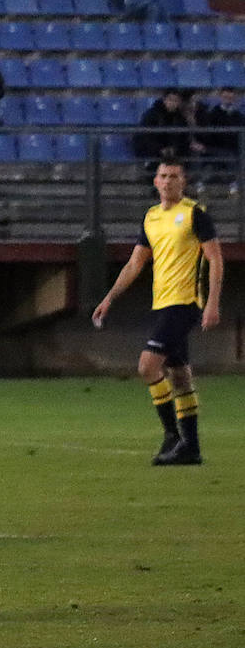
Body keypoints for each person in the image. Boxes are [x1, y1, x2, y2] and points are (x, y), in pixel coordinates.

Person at [91, 157, 223, 465]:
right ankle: (191, 448)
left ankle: (172, 436)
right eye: (163, 176)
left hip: (185, 302)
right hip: (162, 303)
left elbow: (215, 258)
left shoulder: (194, 214)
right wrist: (110, 297)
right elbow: (136, 263)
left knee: (147, 367)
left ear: (184, 181)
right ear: (155, 182)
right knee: (180, 377)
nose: (168, 181)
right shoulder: (151, 217)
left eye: (174, 176)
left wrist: (213, 302)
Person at [132, 90, 199, 163]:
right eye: (170, 100)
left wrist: (174, 148)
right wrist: (160, 149)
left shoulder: (180, 117)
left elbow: (183, 137)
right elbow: (145, 136)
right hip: (153, 152)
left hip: (173, 153)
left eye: (176, 101)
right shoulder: (151, 114)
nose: (173, 103)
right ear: (164, 100)